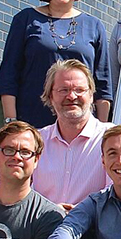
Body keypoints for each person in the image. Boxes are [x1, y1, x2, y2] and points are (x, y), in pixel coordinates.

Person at [0, 0, 111, 129]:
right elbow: (8, 75)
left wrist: (102, 129)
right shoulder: (26, 19)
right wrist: (11, 123)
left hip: (81, 127)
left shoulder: (94, 26)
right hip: (32, 125)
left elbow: (103, 83)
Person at [33, 59, 111, 211]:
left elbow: (118, 194)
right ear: (50, 96)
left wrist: (82, 213)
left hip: (92, 229)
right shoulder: (34, 142)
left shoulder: (111, 139)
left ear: (91, 95)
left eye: (79, 90)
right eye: (63, 90)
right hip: (40, 229)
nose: (71, 96)